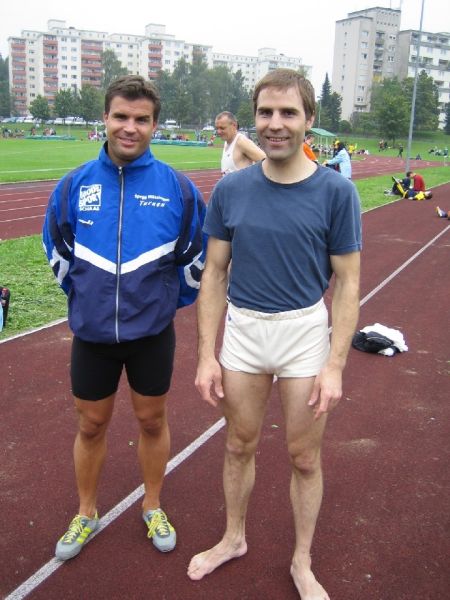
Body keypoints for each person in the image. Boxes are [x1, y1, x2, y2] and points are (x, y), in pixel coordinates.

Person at [188, 68, 361, 599]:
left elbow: (348, 283)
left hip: (303, 333)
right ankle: (233, 538)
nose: (276, 123)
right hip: (245, 331)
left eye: (289, 112)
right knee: (238, 445)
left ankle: (302, 561)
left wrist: (335, 366)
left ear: (309, 119)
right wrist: (206, 355)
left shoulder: (336, 192)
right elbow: (214, 274)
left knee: (304, 457)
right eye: (266, 112)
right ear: (254, 118)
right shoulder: (232, 189)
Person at [43, 75, 206, 561]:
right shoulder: (73, 186)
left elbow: (195, 257)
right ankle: (86, 512)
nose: (129, 127)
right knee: (91, 425)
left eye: (141, 119)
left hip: (151, 335)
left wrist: (164, 304)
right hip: (92, 335)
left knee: (152, 420)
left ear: (155, 125)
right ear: (105, 118)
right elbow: (57, 250)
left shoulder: (179, 189)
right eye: (121, 116)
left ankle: (152, 505)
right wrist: (87, 300)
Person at [215, 111, 266, 175]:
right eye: (217, 128)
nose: (218, 132)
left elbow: (268, 163)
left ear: (234, 125)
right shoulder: (227, 141)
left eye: (222, 128)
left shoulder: (242, 142)